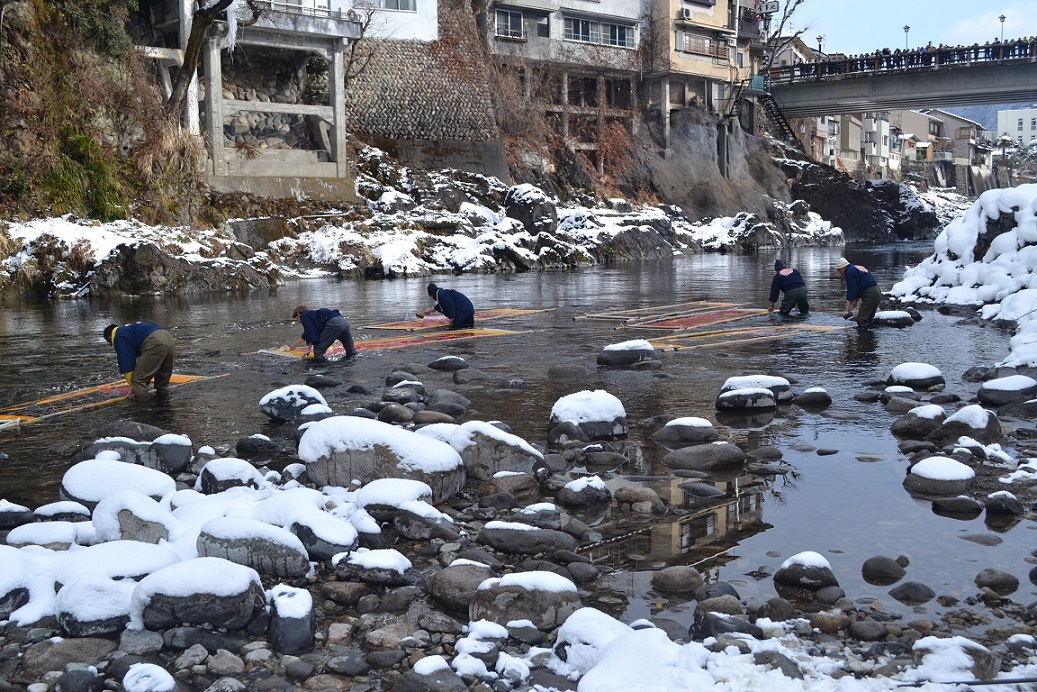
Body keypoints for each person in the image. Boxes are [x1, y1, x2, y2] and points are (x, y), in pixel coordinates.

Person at [103, 322, 175, 401]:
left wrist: (131, 384)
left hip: (155, 342)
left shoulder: (119, 336)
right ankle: (163, 401)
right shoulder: (130, 329)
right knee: (162, 376)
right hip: (168, 338)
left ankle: (142, 408)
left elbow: (126, 360)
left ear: (110, 337)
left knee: (138, 380)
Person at [290, 305, 357, 363]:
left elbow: (309, 331)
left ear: (298, 314)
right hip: (344, 323)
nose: (299, 322)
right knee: (351, 352)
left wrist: (308, 349)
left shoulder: (304, 315)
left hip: (334, 324)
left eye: (297, 319)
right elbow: (307, 334)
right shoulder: (315, 316)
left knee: (318, 349)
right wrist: (294, 345)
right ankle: (351, 364)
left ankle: (322, 368)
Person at [835, 257, 881, 329]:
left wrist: (850, 304)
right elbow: (861, 286)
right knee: (868, 318)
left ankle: (863, 337)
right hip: (877, 292)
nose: (839, 272)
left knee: (861, 319)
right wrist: (855, 301)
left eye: (838, 270)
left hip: (870, 295)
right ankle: (870, 337)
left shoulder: (849, 272)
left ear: (842, 268)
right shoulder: (855, 268)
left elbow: (852, 288)